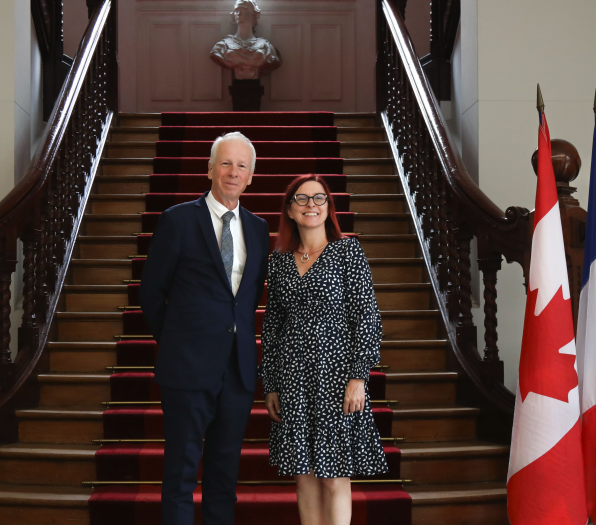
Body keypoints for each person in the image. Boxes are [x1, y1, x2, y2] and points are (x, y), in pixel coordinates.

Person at [140, 132, 270, 525]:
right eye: (226, 163)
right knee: (180, 473)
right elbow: (150, 294)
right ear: (210, 168)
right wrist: (179, 344)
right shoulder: (178, 219)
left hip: (238, 372)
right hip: (186, 367)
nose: (233, 172)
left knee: (223, 474)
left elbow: (248, 299)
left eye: (241, 166)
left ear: (251, 176)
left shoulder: (260, 229)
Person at [259, 174, 388, 525]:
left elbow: (367, 318)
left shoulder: (347, 252)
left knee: (333, 475)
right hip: (293, 378)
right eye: (302, 199)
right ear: (289, 209)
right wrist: (270, 383)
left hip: (337, 377)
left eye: (319, 198)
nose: (311, 205)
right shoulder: (280, 262)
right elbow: (272, 326)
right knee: (304, 475)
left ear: (329, 207)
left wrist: (359, 377)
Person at [210, 0, 281, 80]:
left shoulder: (266, 46)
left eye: (243, 9)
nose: (239, 13)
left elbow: (273, 60)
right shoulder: (222, 46)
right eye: (236, 10)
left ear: (253, 15)